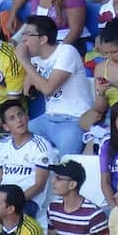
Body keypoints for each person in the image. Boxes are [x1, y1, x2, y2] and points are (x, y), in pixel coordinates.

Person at [16, 15, 95, 159]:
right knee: (17, 138)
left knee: (67, 163)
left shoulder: (66, 51)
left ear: (43, 39)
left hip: (74, 120)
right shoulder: (35, 58)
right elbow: (27, 91)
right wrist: (28, 62)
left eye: (28, 35)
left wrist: (24, 61)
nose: (24, 39)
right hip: (48, 118)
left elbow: (48, 89)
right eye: (23, 34)